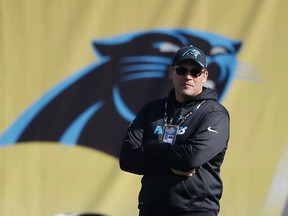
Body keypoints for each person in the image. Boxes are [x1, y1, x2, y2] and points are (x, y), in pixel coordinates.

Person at [119, 45, 230, 216]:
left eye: (195, 72)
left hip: (195, 210)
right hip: (151, 209)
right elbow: (127, 159)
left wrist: (149, 146)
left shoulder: (214, 113)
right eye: (182, 70)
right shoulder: (152, 110)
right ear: (171, 72)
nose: (188, 76)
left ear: (205, 76)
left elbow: (191, 158)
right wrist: (169, 168)